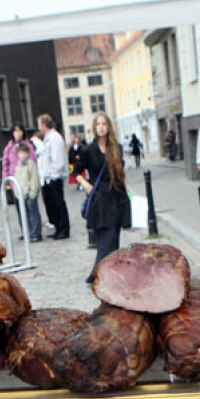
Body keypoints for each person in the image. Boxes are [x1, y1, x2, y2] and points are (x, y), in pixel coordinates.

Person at [75, 113, 131, 284]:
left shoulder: (116, 148)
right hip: (100, 199)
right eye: (98, 124)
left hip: (116, 196)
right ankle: (98, 274)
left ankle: (106, 273)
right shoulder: (88, 150)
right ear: (94, 127)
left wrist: (128, 193)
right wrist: (86, 184)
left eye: (104, 124)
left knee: (114, 237)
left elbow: (121, 174)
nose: (101, 127)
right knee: (104, 239)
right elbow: (76, 172)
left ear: (108, 127)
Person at [38, 113, 70, 240]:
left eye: (39, 124)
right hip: (48, 177)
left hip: (54, 177)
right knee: (51, 204)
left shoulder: (55, 138)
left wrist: (53, 174)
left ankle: (64, 228)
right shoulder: (47, 138)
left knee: (58, 204)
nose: (38, 127)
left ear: (44, 124)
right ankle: (57, 227)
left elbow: (57, 159)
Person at [14, 143, 43, 242]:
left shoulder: (31, 164)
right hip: (21, 195)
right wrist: (16, 192)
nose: (22, 155)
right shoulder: (18, 166)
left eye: (24, 153)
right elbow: (17, 179)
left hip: (30, 194)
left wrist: (33, 193)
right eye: (20, 153)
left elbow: (34, 179)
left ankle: (36, 233)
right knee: (25, 214)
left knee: (33, 214)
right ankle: (28, 232)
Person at [2, 123, 37, 205]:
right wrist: (7, 183)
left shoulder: (28, 146)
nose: (18, 133)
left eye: (20, 130)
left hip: (27, 184)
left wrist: (33, 186)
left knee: (31, 209)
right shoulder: (8, 148)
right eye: (15, 131)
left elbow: (33, 163)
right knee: (20, 209)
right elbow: (5, 166)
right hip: (15, 184)